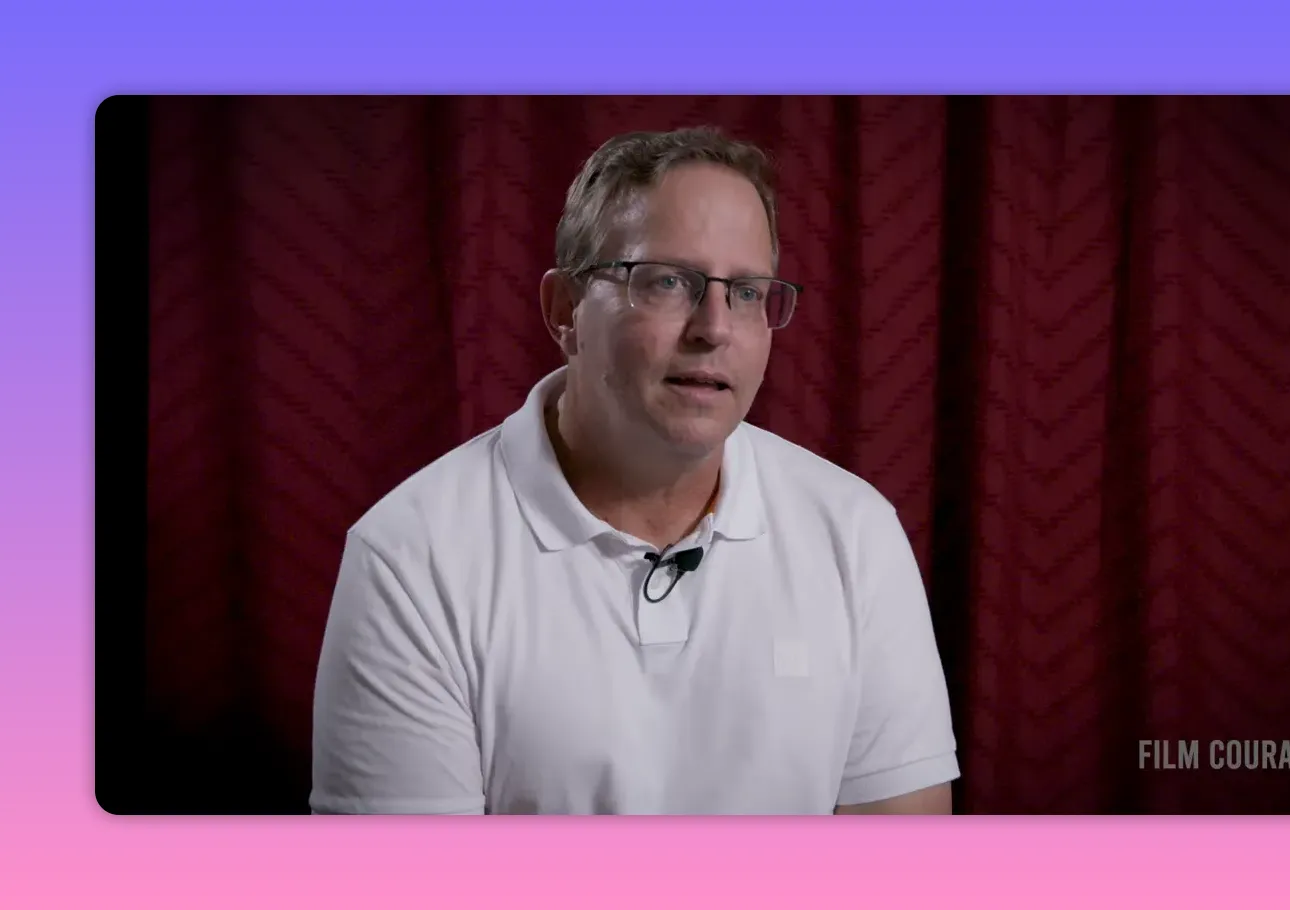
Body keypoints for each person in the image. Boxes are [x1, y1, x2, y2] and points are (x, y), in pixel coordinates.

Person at [310, 126, 959, 815]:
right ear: (565, 311)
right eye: (668, 282)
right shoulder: (411, 558)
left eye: (745, 292)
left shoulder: (854, 532)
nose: (715, 328)